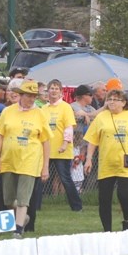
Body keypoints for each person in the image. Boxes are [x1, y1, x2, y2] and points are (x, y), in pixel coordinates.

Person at [0, 80, 51, 238]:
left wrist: (45, 166)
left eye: (34, 96)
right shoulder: (8, 111)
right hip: (8, 160)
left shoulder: (40, 114)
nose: (31, 99)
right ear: (21, 95)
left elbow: (46, 142)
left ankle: (18, 229)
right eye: (28, 95)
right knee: (8, 199)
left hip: (29, 160)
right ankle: (21, 218)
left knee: (24, 197)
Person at [84, 89, 128, 232]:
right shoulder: (101, 117)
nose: (111, 102)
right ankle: (107, 230)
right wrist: (88, 159)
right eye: (109, 99)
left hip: (126, 164)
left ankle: (127, 219)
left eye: (115, 99)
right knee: (104, 198)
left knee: (123, 194)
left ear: (123, 102)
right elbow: (92, 141)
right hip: (106, 163)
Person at [44, 78, 83, 212]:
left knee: (65, 178)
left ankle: (77, 206)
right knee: (39, 178)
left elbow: (69, 127)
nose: (54, 91)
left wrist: (65, 144)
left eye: (57, 88)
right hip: (46, 150)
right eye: (51, 88)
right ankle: (35, 206)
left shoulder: (66, 107)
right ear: (47, 91)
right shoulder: (43, 108)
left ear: (61, 92)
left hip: (62, 150)